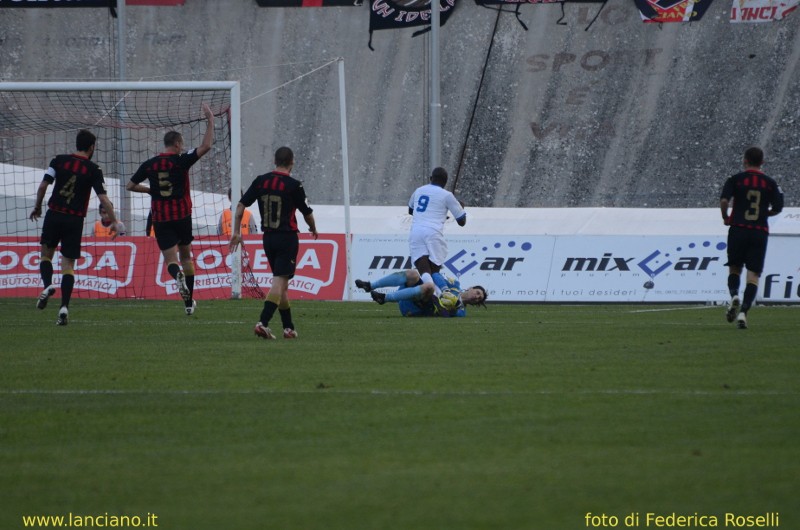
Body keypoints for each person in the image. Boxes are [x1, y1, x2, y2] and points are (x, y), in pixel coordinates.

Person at [126, 103, 215, 316]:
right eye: (181, 144)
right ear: (176, 144)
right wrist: (210, 122)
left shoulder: (149, 164)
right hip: (182, 216)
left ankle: (177, 277)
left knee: (171, 261)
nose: (183, 148)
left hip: (161, 218)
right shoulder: (181, 161)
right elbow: (206, 146)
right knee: (186, 258)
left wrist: (149, 190)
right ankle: (188, 303)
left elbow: (129, 185)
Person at [29, 129, 123, 326]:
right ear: (91, 147)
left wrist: (37, 207)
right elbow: (103, 199)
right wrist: (114, 221)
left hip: (54, 214)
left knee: (46, 255)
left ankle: (47, 286)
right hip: (74, 221)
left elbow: (42, 187)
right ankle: (64, 307)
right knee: (68, 266)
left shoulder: (58, 160)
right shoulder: (94, 169)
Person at [229, 146, 318, 340]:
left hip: (268, 238)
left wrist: (236, 231)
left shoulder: (261, 181)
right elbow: (307, 212)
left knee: (282, 284)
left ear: (274, 161)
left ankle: (288, 328)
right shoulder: (294, 185)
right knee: (279, 281)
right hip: (287, 237)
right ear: (292, 162)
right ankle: (263, 323)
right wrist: (313, 228)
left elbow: (240, 206)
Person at [720, 146, 784, 329]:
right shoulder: (771, 183)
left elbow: (724, 200)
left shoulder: (735, 179)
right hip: (759, 231)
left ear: (745, 160)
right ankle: (743, 313)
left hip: (738, 229)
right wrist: (764, 214)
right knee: (753, 276)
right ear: (762, 162)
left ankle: (734, 295)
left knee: (734, 268)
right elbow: (778, 207)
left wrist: (725, 217)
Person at [407, 167, 466, 295]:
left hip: (416, 231)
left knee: (424, 271)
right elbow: (462, 221)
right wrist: (460, 206)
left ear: (430, 178)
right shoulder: (447, 195)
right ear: (445, 182)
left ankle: (436, 296)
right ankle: (441, 296)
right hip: (433, 232)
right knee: (434, 271)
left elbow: (411, 210)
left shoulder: (419, 190)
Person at [355, 270, 487, 317]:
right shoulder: (454, 284)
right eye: (477, 293)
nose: (476, 297)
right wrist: (445, 290)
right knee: (413, 274)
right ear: (471, 287)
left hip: (415, 308)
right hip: (409, 294)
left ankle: (384, 297)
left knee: (428, 287)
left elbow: (447, 314)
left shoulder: (462, 311)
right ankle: (370, 285)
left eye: (479, 299)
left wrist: (452, 308)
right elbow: (435, 274)